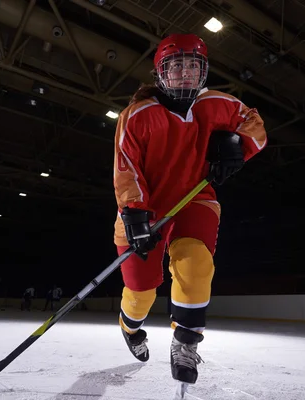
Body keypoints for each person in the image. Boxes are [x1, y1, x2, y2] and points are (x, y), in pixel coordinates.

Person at [113, 33, 267, 385]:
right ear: (160, 72)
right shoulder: (137, 115)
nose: (185, 72)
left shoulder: (217, 104)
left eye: (193, 65)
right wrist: (135, 215)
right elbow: (126, 169)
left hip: (195, 198)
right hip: (145, 209)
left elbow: (254, 126)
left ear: (203, 71)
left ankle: (186, 341)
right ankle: (130, 328)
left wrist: (236, 148)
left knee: (196, 262)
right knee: (141, 291)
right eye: (176, 65)